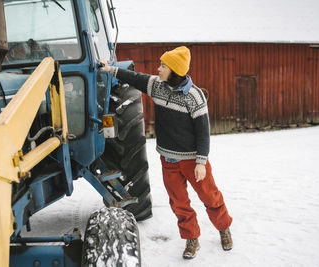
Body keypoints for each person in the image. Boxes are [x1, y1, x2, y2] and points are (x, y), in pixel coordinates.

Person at [100, 46, 233, 260]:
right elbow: (134, 77)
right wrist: (111, 69)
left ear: (174, 70)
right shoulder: (157, 86)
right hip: (168, 160)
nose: (158, 68)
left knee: (210, 196)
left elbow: (203, 133)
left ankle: (224, 228)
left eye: (163, 65)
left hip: (192, 161)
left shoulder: (194, 97)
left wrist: (201, 162)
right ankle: (192, 239)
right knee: (179, 202)